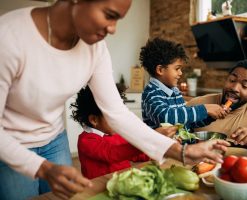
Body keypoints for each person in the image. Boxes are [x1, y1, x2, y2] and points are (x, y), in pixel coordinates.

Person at [0, 1, 229, 199]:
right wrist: (42, 168)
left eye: (118, 19)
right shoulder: (9, 38)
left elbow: (117, 113)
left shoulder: (95, 48)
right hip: (10, 142)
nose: (113, 29)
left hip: (54, 139)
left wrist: (181, 152)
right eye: (109, 15)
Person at [71, 85, 179, 179]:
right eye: (113, 117)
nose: (119, 120)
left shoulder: (117, 133)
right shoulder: (86, 140)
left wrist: (161, 147)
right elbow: (112, 154)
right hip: (97, 188)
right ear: (94, 120)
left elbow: (137, 154)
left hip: (122, 184)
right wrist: (151, 138)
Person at [188, 60, 247, 152]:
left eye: (245, 85)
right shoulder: (199, 103)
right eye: (232, 80)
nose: (234, 88)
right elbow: (175, 128)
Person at [140, 37, 229, 131]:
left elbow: (187, 122)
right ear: (160, 70)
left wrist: (211, 115)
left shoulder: (175, 91)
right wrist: (205, 109)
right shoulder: (151, 93)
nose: (180, 73)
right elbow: (167, 117)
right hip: (166, 145)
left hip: (185, 144)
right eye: (177, 68)